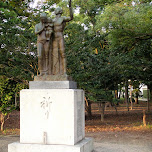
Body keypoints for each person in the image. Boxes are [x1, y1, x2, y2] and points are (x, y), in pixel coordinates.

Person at [52, 0, 73, 75]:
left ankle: (64, 72)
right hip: (54, 37)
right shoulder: (52, 20)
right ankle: (54, 71)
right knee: (53, 54)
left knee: (62, 53)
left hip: (60, 35)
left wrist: (70, 7)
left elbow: (71, 17)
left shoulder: (63, 18)